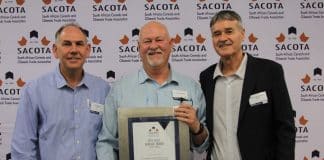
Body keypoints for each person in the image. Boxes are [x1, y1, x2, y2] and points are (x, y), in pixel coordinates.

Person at [96, 21, 209, 160]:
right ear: (138, 47)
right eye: (147, 41)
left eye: (159, 40)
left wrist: (197, 128)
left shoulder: (192, 88)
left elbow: (203, 146)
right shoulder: (119, 90)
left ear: (171, 44)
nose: (153, 46)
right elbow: (106, 142)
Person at [199, 10, 296, 160]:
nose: (223, 38)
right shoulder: (206, 77)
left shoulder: (270, 71)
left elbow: (285, 128)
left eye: (229, 31)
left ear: (242, 34)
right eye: (217, 34)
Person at [11, 23, 110, 160]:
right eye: (67, 44)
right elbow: (23, 150)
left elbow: (110, 141)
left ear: (87, 50)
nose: (74, 50)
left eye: (79, 44)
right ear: (55, 50)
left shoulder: (103, 89)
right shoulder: (34, 91)